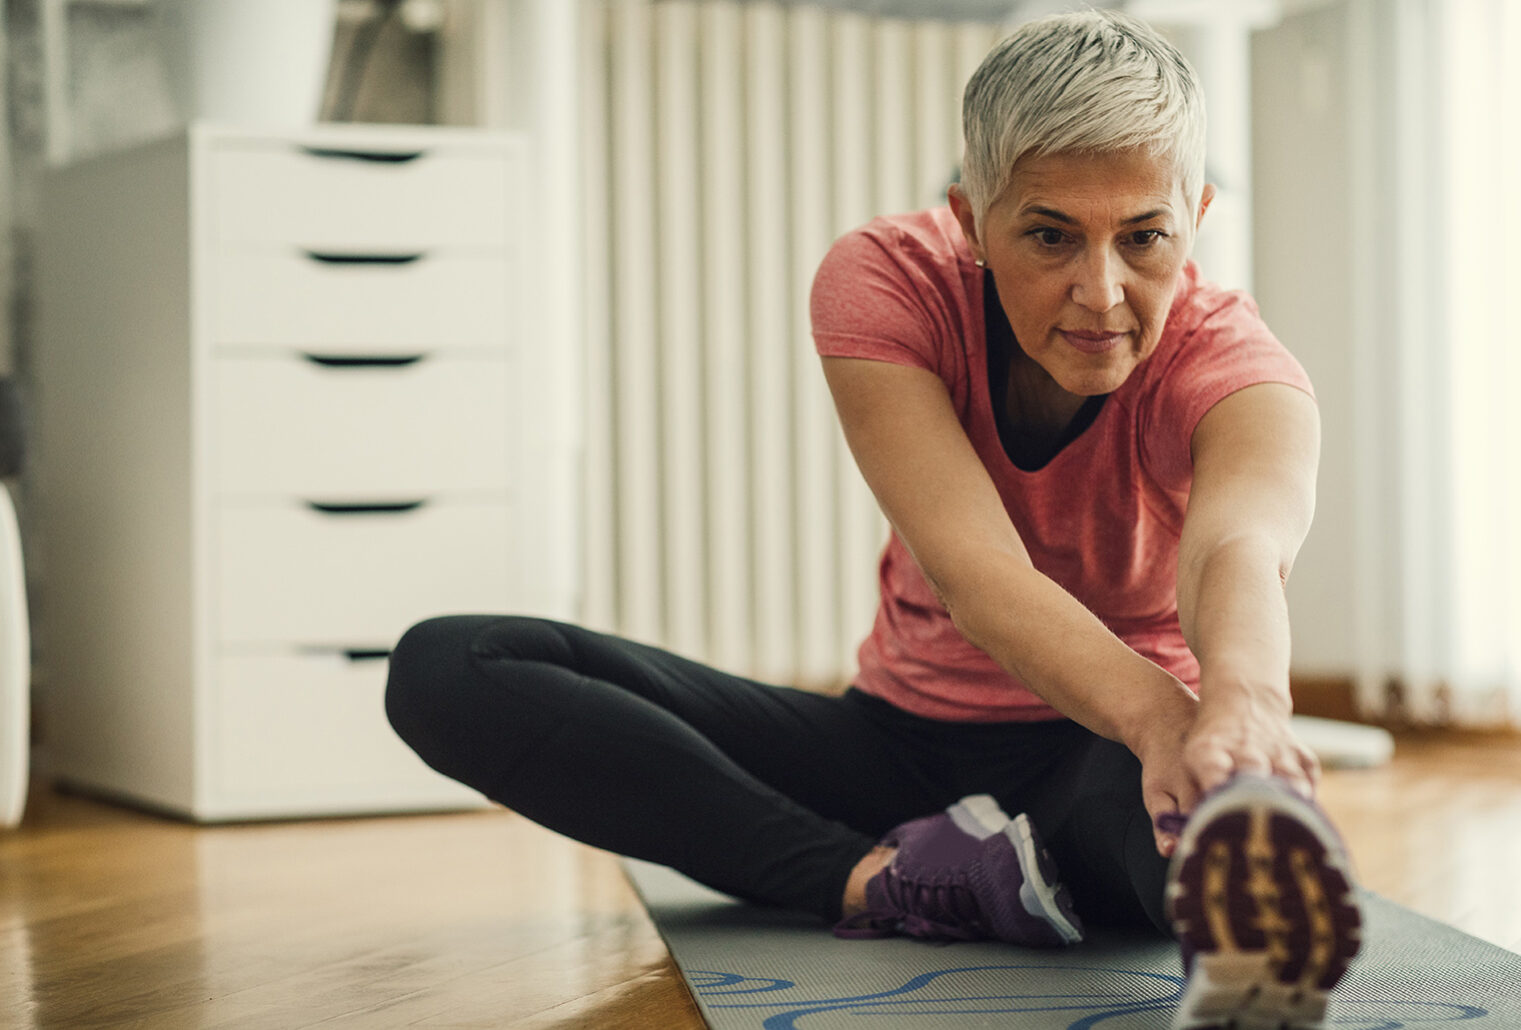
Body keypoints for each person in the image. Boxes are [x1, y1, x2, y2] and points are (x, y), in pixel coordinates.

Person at [384, 9, 1362, 1028]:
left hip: (1101, 760)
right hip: (900, 749)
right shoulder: (890, 280)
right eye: (1048, 235)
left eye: (1145, 237)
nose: (1101, 292)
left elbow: (1236, 552)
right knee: (451, 666)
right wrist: (1169, 714)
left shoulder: (1243, 373)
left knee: (1174, 824)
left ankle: (1132, 878)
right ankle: (885, 881)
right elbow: (977, 571)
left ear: (1195, 216)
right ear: (971, 219)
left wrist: (1240, 705)